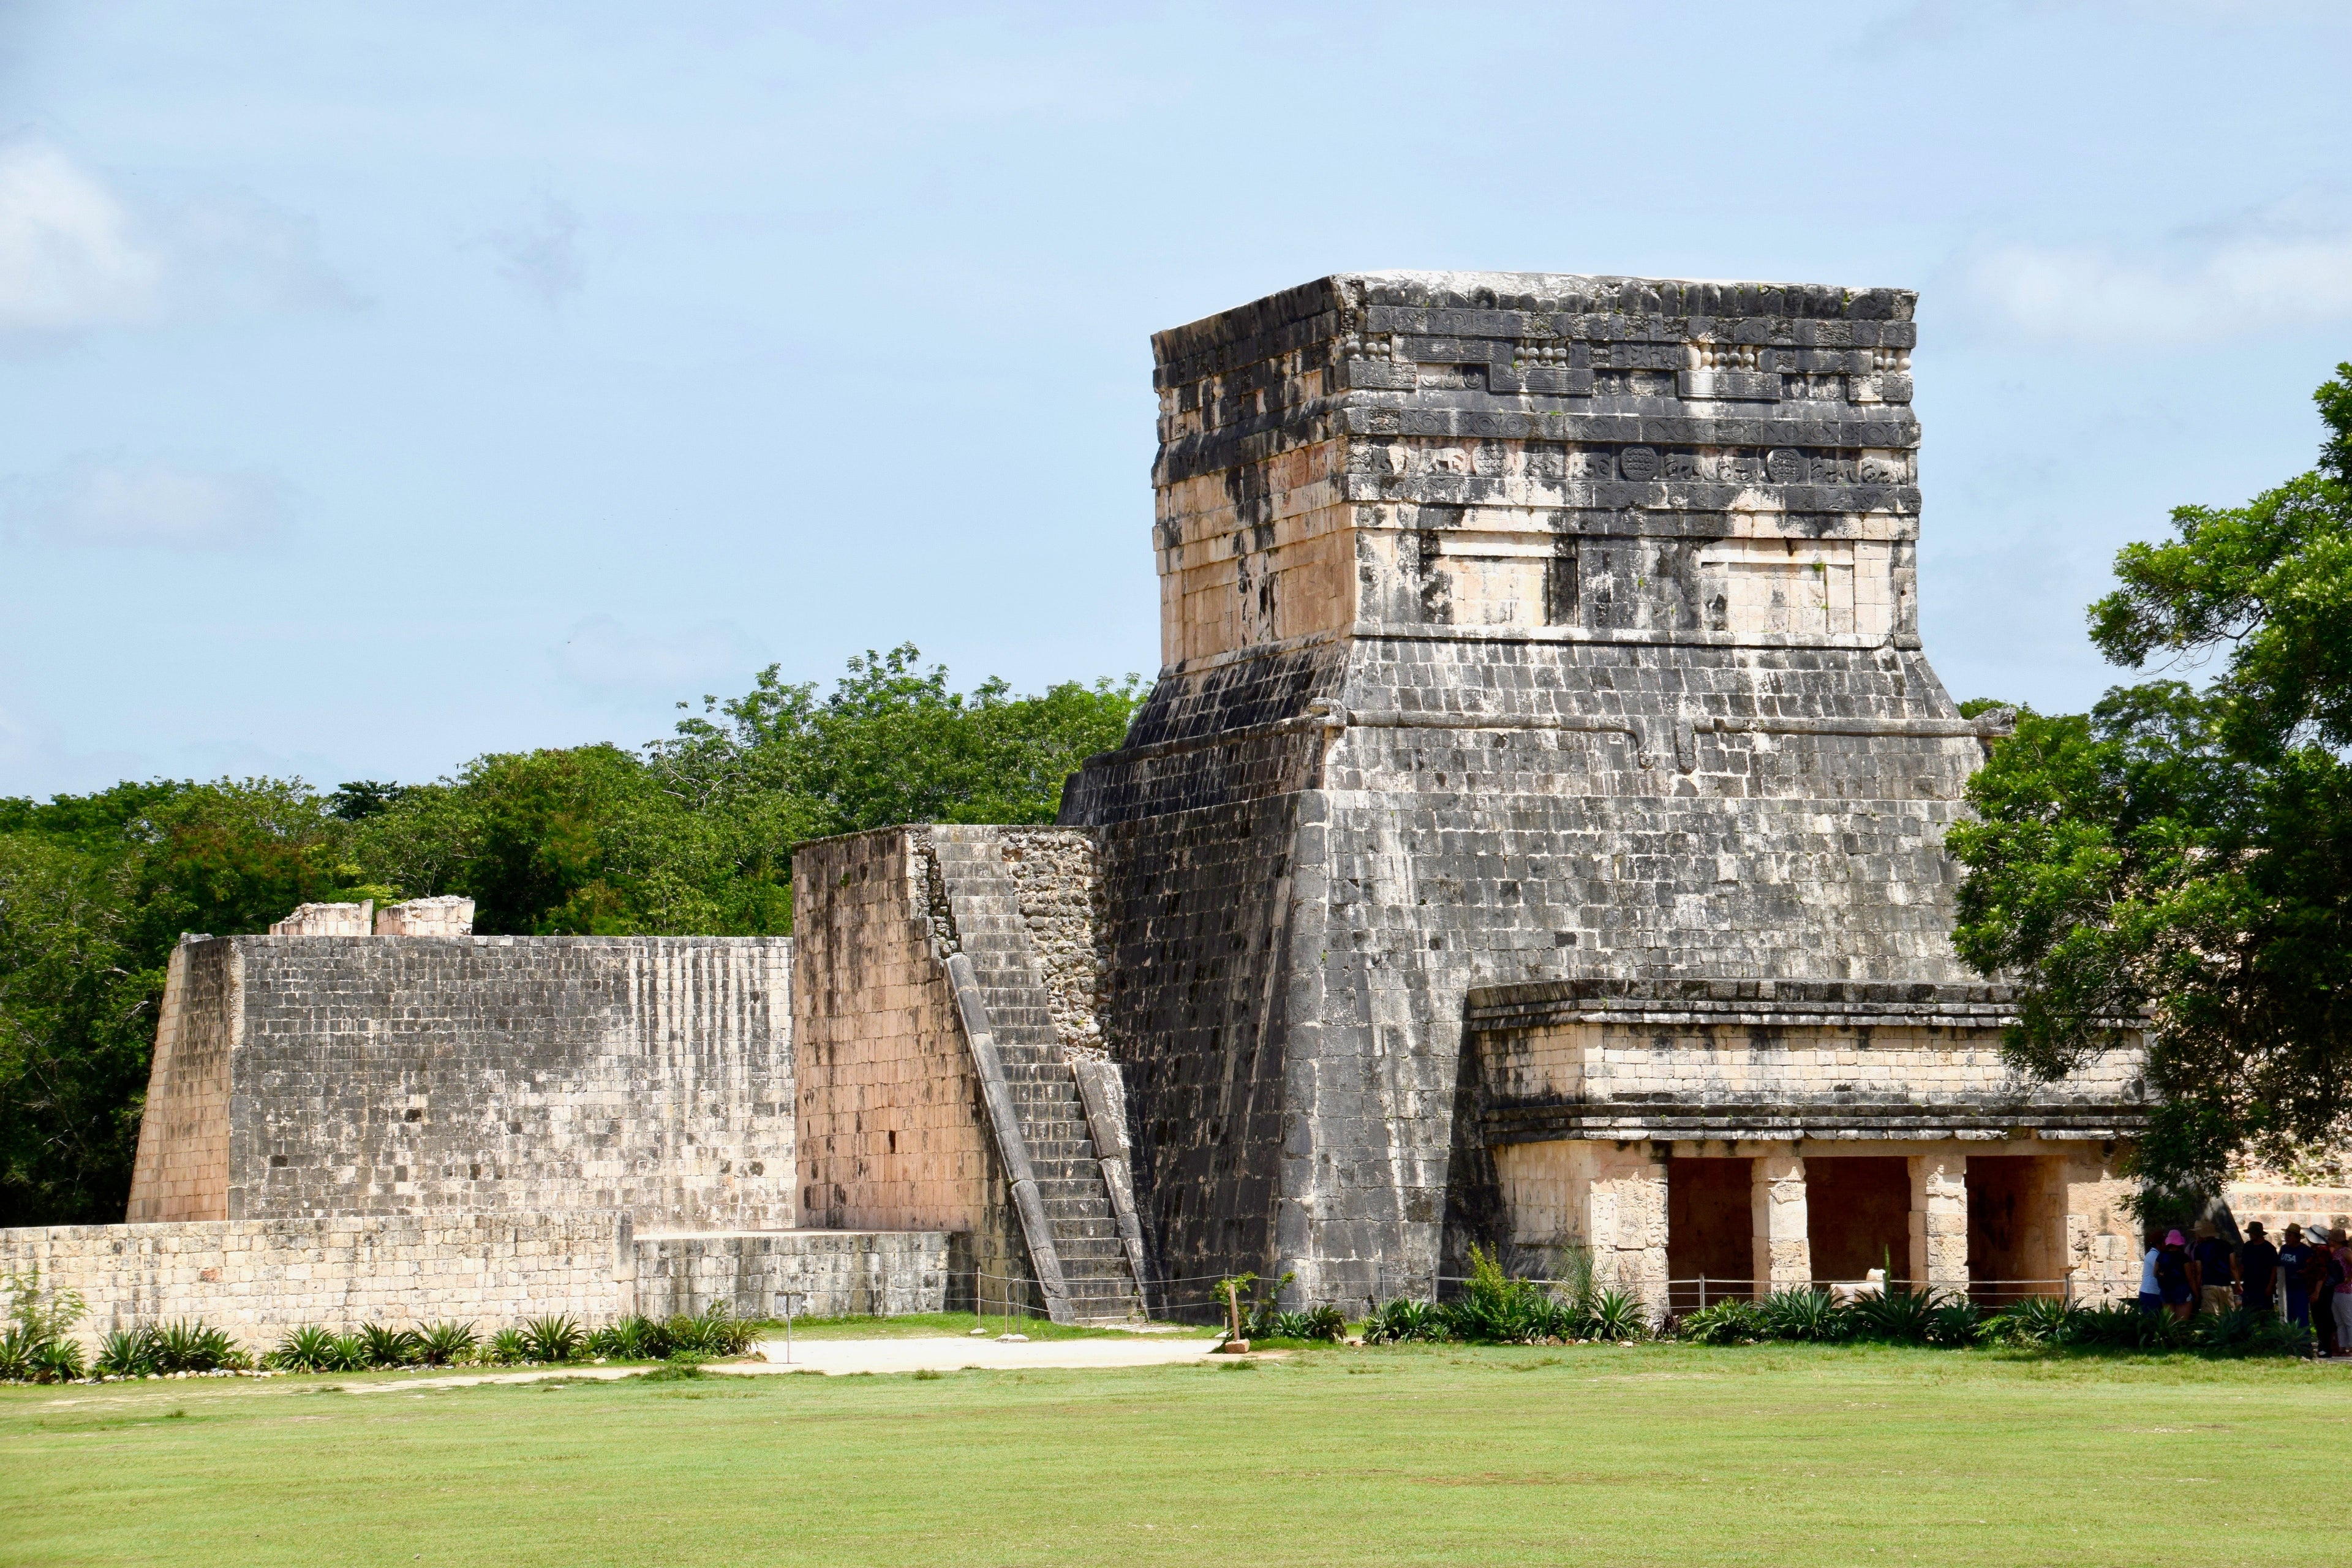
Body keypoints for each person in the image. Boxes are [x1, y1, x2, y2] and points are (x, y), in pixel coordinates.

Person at [2277, 1225, 2317, 1334]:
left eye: (2289, 1235)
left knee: (2301, 1317)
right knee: (2287, 1315)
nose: (2287, 1238)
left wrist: (2304, 1272)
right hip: (2285, 1287)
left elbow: (2312, 1269)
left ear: (2297, 1237)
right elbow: (2279, 1264)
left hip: (2300, 1289)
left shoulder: (2305, 1251)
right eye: (2286, 1235)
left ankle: (2305, 1345)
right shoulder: (2284, 1248)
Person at [2191, 1221, 2237, 1314]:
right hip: (2226, 1285)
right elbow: (2233, 1266)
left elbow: (2199, 1271)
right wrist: (2238, 1283)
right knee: (2228, 1316)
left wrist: (2197, 1287)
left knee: (2211, 1317)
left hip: (2209, 1285)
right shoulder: (2226, 1245)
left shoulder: (2199, 1249)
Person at [2154, 1230, 2196, 1323]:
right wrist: (2196, 1294)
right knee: (2181, 1325)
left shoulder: (2161, 1256)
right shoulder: (2184, 1257)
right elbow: (2190, 1278)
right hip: (2182, 1292)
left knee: (2170, 1325)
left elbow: (2155, 1273)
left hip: (2166, 1291)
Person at [2240, 1222, 2280, 1319]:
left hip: (2263, 1287)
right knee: (2248, 1316)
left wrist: (2270, 1286)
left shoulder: (2269, 1249)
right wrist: (2239, 1281)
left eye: (2252, 1233)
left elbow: (2274, 1268)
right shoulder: (2248, 1246)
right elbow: (2243, 1265)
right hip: (2249, 1286)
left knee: (2265, 1316)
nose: (2250, 1235)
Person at [2137, 1231, 2165, 1315]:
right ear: (2159, 1244)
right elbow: (2162, 1270)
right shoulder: (2153, 1255)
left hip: (2154, 1292)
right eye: (2164, 1243)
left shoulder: (2156, 1254)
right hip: (2150, 1293)